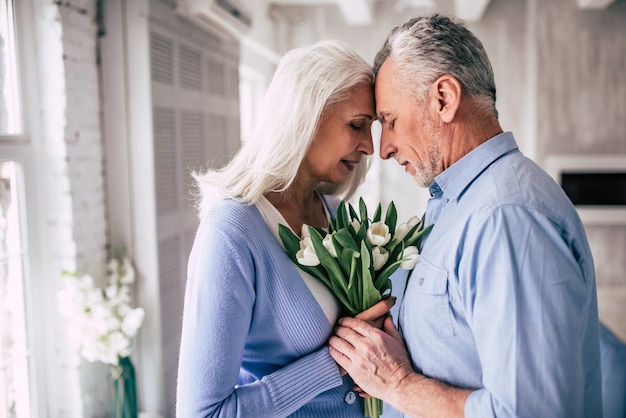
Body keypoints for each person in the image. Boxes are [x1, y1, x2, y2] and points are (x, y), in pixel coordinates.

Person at [328, 14, 603, 418]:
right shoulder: (459, 203)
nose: (383, 148)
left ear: (444, 98)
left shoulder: (507, 218)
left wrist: (397, 384)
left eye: (390, 121)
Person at [176, 39, 394, 417]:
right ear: (305, 115)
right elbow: (202, 413)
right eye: (357, 125)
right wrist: (337, 362)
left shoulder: (332, 212)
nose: (369, 147)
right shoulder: (232, 233)